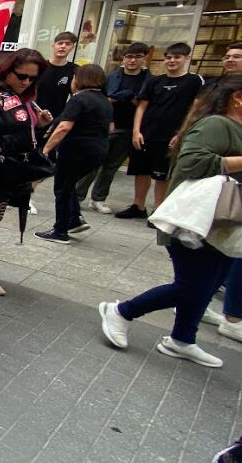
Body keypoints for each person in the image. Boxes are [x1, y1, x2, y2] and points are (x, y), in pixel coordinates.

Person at [99, 73, 242, 369]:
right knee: (191, 286)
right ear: (238, 97)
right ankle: (122, 311)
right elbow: (192, 163)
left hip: (224, 221)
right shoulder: (217, 124)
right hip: (197, 220)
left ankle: (182, 340)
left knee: (209, 282)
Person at [0, 49, 51, 294]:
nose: (26, 82)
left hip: (12, 170)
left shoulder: (22, 96)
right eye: (22, 76)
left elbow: (23, 132)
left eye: (32, 78)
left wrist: (40, 125)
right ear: (7, 69)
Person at [117, 42, 203, 220]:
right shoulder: (154, 81)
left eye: (177, 57)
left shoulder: (193, 81)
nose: (172, 61)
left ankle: (159, 210)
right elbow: (141, 107)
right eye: (169, 57)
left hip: (170, 136)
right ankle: (138, 206)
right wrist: (136, 131)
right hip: (146, 133)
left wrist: (181, 134)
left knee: (162, 175)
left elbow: (195, 110)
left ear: (187, 58)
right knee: (140, 171)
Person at [36, 65, 113, 244]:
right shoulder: (104, 100)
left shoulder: (79, 99)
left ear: (78, 80)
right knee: (69, 184)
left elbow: (64, 126)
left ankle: (60, 231)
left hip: (76, 150)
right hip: (98, 150)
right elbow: (111, 127)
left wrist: (46, 149)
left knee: (62, 188)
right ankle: (74, 220)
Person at [76, 43, 150, 213]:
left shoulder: (148, 80)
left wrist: (132, 100)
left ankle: (98, 198)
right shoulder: (111, 78)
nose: (132, 60)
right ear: (123, 59)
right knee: (93, 162)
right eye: (128, 57)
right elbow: (101, 99)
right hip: (106, 125)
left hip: (129, 127)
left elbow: (145, 104)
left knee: (111, 166)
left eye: (137, 57)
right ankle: (77, 196)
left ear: (144, 58)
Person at [36, 32, 78, 141]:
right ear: (53, 45)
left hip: (57, 120)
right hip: (36, 116)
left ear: (73, 47)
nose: (63, 46)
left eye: (67, 44)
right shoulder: (40, 67)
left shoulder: (75, 70)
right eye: (60, 43)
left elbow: (77, 97)